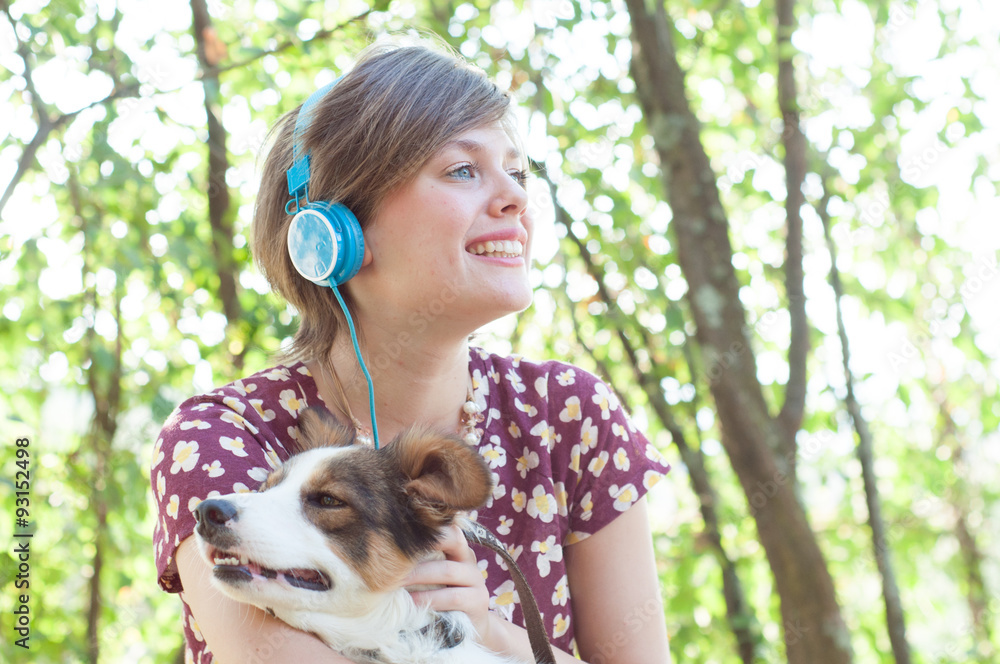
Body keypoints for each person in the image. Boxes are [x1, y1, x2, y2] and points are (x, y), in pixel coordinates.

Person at [151, 37, 672, 664]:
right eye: (462, 169)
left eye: (518, 171)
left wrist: (490, 629)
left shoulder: (569, 416)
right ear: (334, 232)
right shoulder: (221, 436)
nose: (515, 197)